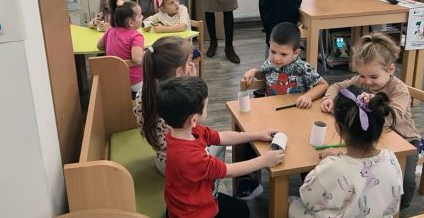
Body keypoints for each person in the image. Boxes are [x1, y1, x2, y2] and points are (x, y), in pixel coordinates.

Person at [157, 76, 284, 218]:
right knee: (242, 212)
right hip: (193, 213)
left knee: (241, 209)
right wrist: (264, 161)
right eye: (206, 106)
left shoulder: (187, 131)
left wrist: (257, 135)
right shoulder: (190, 157)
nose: (207, 109)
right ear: (193, 119)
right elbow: (229, 170)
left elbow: (222, 137)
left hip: (192, 199)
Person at [321, 33, 421, 209]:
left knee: (406, 182)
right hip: (372, 138)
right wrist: (328, 98)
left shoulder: (400, 91)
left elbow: (392, 119)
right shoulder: (363, 80)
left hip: (405, 139)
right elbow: (336, 86)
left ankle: (400, 207)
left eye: (373, 77)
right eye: (361, 76)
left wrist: (373, 105)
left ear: (391, 69)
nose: (367, 82)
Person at [289, 85, 403, 217]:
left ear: (337, 127)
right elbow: (394, 206)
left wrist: (328, 161)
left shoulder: (332, 167)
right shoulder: (391, 159)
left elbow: (308, 198)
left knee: (293, 204)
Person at [133, 36, 198, 175]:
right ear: (179, 72)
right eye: (189, 62)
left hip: (162, 161)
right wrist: (194, 84)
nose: (192, 65)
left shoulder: (142, 93)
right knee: (217, 148)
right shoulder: (180, 98)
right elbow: (197, 124)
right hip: (180, 165)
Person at [242, 22, 328, 106]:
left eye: (283, 54)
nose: (276, 58)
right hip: (271, 108)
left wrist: (308, 96)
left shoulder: (303, 67)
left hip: (294, 109)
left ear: (296, 53)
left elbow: (323, 85)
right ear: (270, 45)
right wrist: (255, 72)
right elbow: (266, 76)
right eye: (273, 51)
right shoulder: (270, 62)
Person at [97, 0, 144, 96]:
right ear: (131, 23)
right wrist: (147, 54)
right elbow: (137, 59)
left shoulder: (110, 31)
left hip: (115, 79)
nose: (142, 17)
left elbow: (99, 46)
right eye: (140, 16)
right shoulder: (136, 36)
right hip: (134, 81)